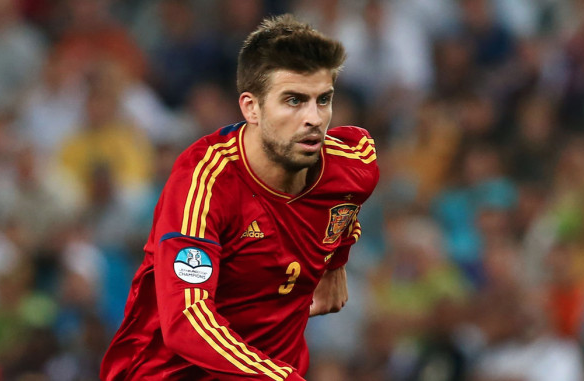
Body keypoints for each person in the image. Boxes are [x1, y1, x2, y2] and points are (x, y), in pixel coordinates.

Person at [100, 14, 379, 380]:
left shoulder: (352, 166)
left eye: (322, 100)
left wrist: (336, 261)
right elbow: (188, 319)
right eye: (293, 101)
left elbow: (349, 192)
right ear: (252, 108)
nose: (313, 118)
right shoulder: (204, 184)